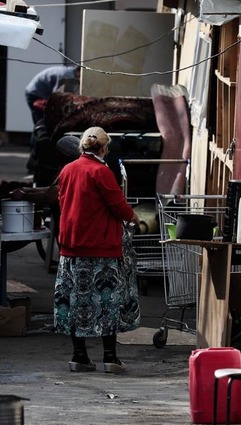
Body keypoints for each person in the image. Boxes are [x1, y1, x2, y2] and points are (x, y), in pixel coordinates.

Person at [53, 126, 141, 373]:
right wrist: (135, 218)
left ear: (82, 146)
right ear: (104, 148)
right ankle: (110, 358)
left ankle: (79, 356)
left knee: (74, 301)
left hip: (71, 247)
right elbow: (118, 205)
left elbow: (62, 201)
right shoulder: (101, 172)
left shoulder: (67, 170)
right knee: (107, 301)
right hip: (101, 248)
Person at [24, 65, 80, 172]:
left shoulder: (68, 72)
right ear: (79, 72)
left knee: (40, 127)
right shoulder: (66, 75)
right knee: (41, 127)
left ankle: (34, 159)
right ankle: (34, 160)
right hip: (35, 95)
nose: (79, 80)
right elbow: (57, 96)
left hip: (39, 93)